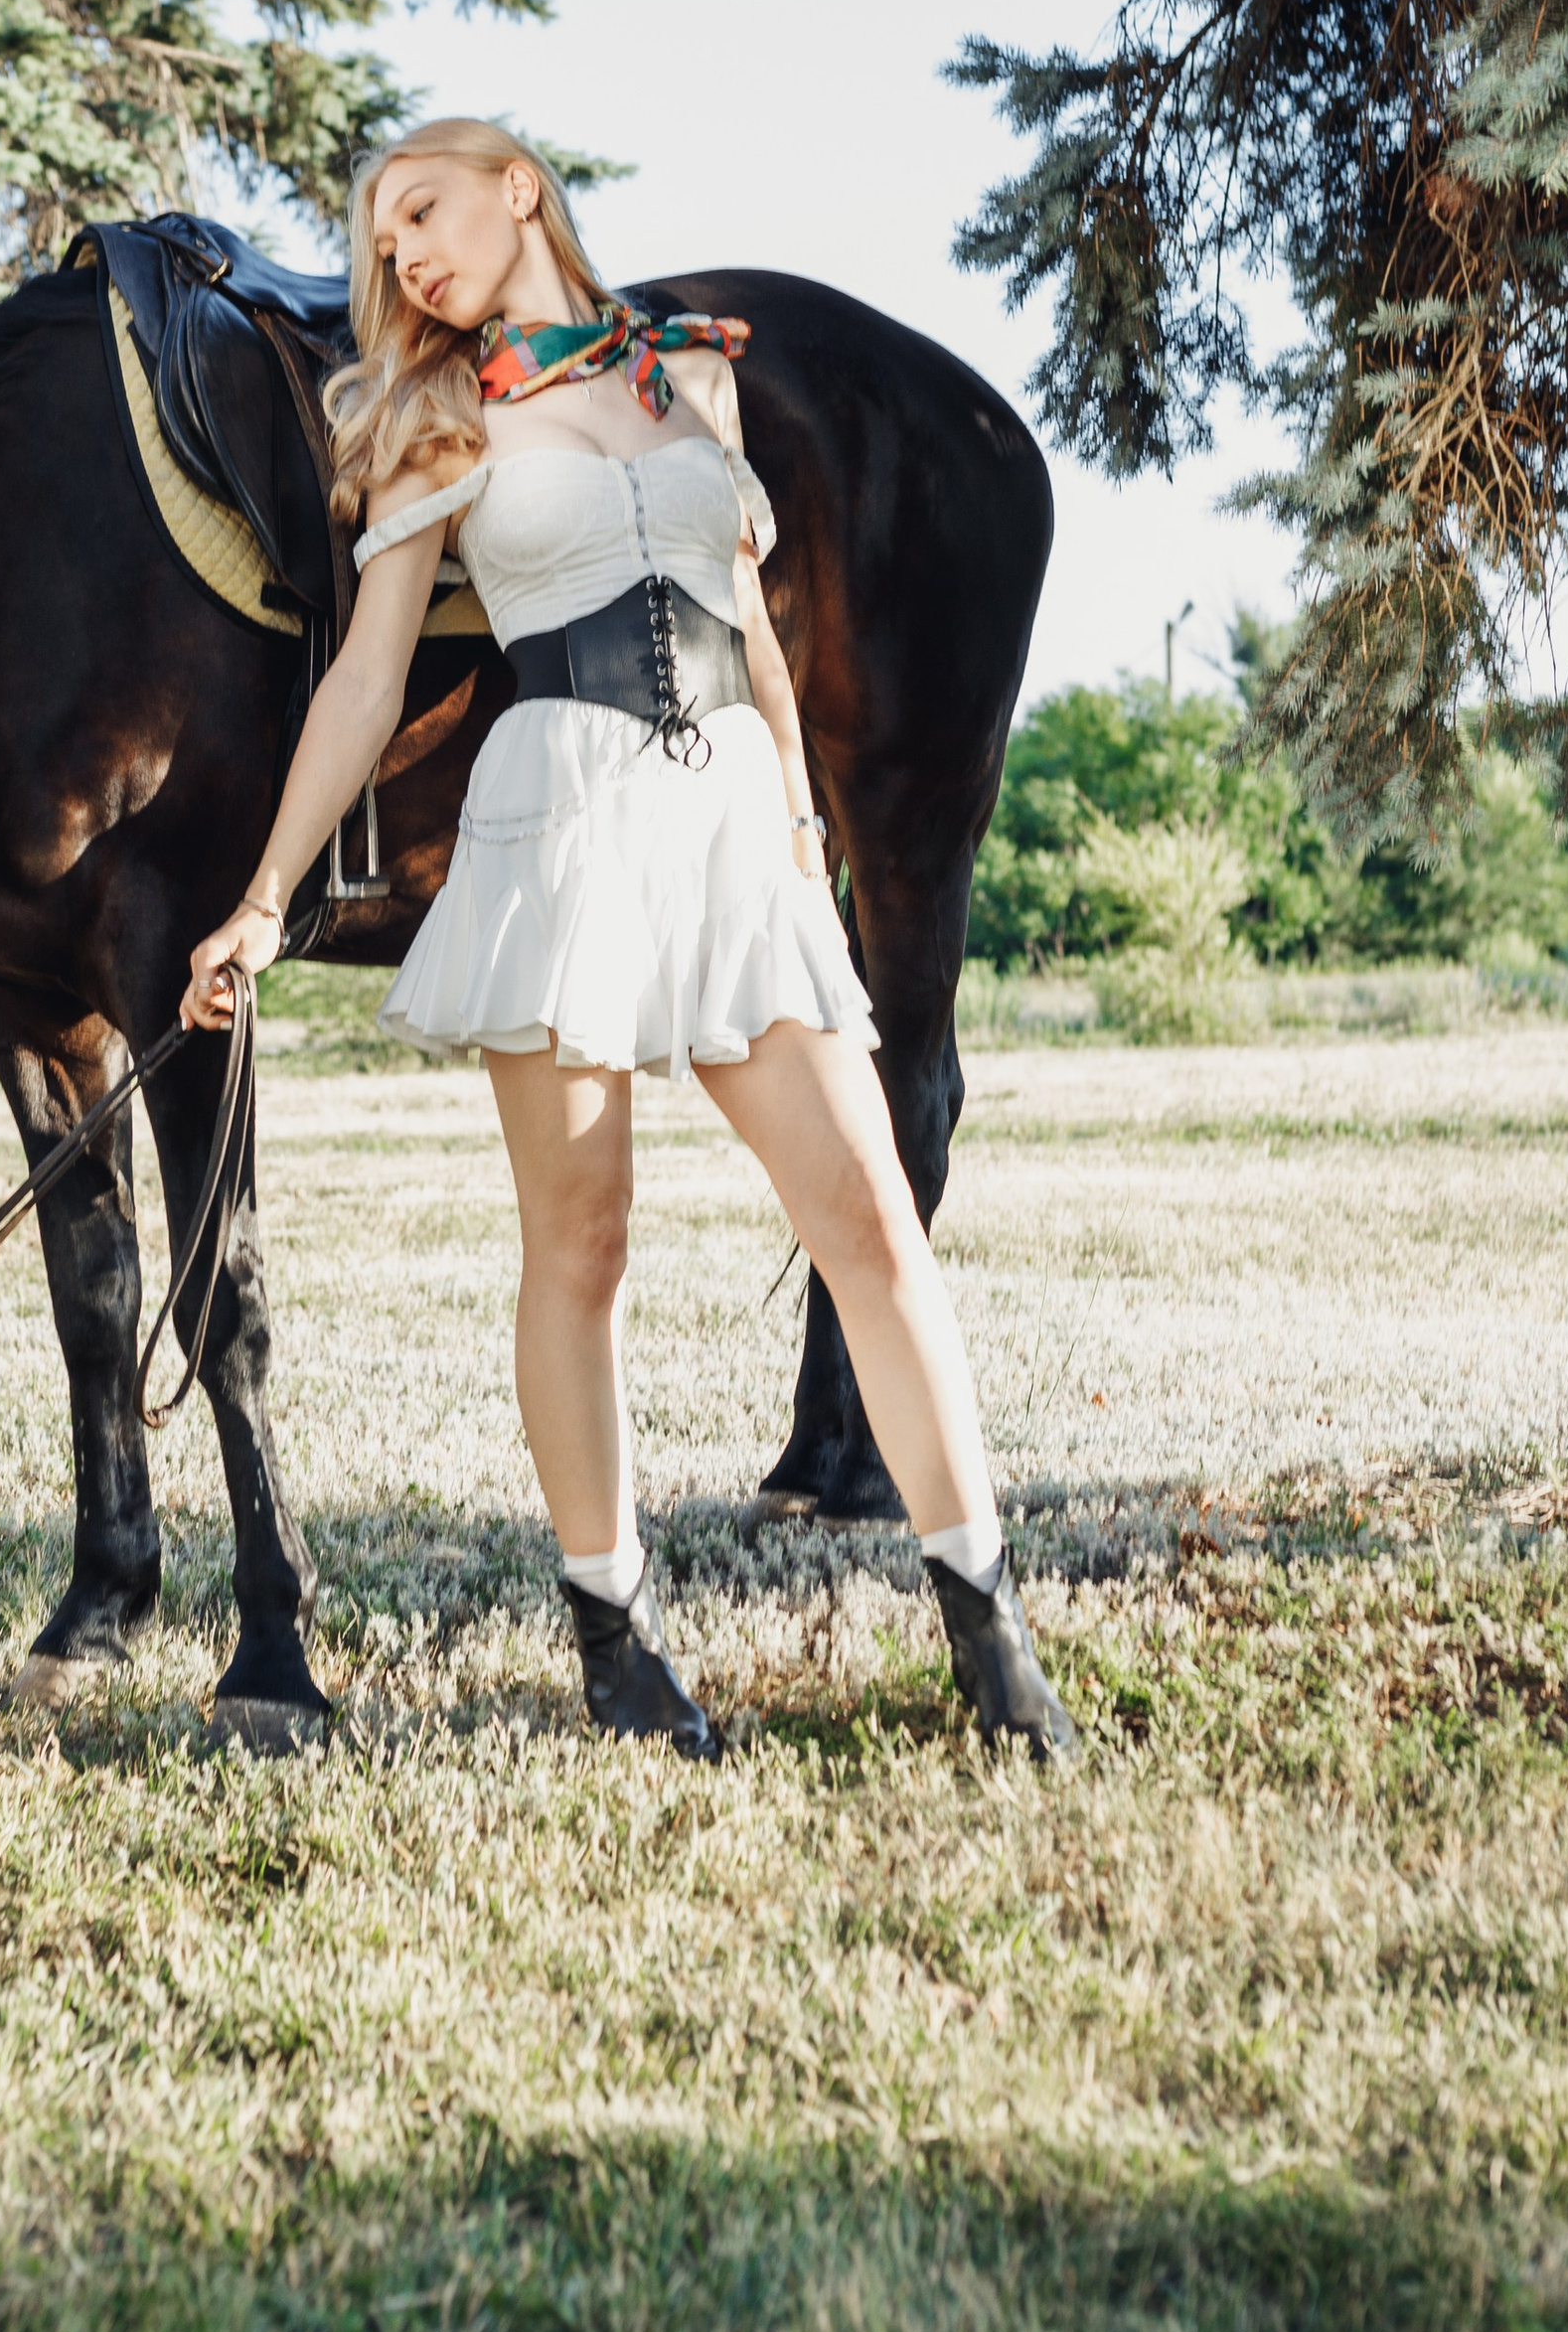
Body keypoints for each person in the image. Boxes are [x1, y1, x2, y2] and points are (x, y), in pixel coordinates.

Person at [183, 119, 1075, 1767]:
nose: (404, 256)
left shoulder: (693, 381)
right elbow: (367, 684)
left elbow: (757, 636)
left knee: (874, 1222)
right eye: (381, 244)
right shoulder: (425, 417)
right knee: (582, 1245)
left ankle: (986, 1618)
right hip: (565, 820)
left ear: (517, 185)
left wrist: (804, 844)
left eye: (423, 211)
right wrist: (261, 892)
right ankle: (615, 1630)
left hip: (736, 820)